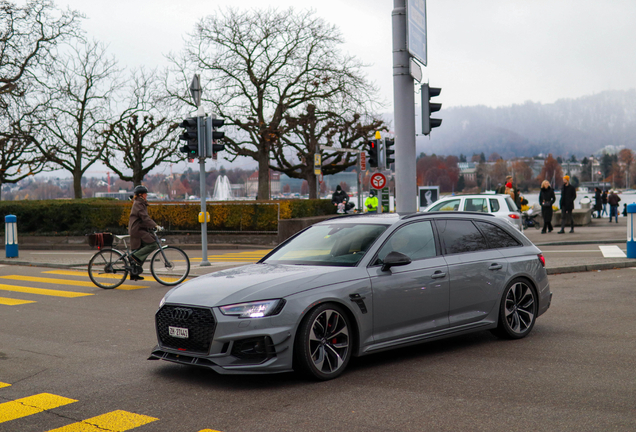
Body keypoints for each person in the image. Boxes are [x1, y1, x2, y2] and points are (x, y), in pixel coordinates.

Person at [128, 185, 160, 281]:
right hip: (137, 230)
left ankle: (134, 273)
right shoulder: (138, 203)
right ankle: (134, 257)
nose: (146, 195)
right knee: (153, 244)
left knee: (141, 250)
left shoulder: (140, 203)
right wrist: (155, 226)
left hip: (139, 229)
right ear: (141, 195)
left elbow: (144, 218)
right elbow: (145, 217)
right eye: (145, 193)